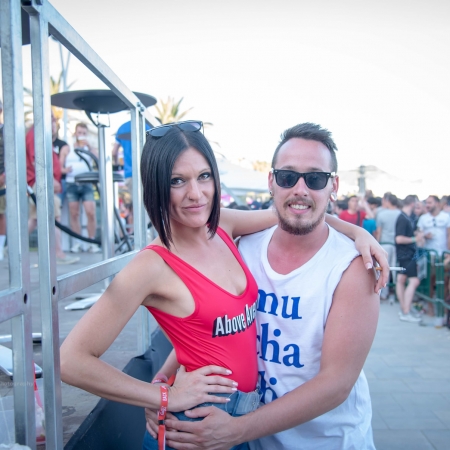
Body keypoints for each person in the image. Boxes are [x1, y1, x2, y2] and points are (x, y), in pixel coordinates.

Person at [60, 121, 387, 450]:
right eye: (177, 181)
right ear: (156, 186)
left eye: (204, 176)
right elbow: (70, 361)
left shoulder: (224, 226)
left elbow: (297, 210)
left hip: (242, 425)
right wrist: (161, 395)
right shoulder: (150, 266)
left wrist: (358, 233)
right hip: (197, 425)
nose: (195, 193)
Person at [26, 115, 79, 265]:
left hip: (40, 182)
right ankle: (58, 253)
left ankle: (13, 248)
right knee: (54, 217)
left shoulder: (40, 134)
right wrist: (51, 180)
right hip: (41, 183)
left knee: (34, 219)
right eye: (52, 121)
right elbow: (36, 160)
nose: (54, 125)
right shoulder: (35, 134)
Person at [63, 122, 100, 253]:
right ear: (75, 133)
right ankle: (77, 242)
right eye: (79, 133)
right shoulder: (67, 148)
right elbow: (59, 167)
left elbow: (98, 159)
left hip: (87, 183)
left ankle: (92, 242)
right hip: (71, 183)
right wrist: (65, 170)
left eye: (84, 133)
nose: (81, 135)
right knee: (74, 214)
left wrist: (89, 147)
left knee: (91, 212)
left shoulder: (89, 149)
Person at [112, 120, 152, 231]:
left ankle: (139, 235)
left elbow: (114, 152)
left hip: (130, 173)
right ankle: (146, 237)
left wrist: (117, 164)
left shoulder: (121, 128)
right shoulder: (145, 126)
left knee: (138, 206)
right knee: (146, 206)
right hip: (146, 171)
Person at [395, 195, 423, 323]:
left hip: (405, 254)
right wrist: (415, 239)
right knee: (414, 281)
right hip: (406, 254)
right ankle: (406, 311)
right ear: (412, 203)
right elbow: (399, 239)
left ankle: (404, 309)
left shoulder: (406, 217)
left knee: (401, 279)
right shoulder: (403, 218)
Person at [376, 193, 401, 299]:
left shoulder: (382, 214)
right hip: (396, 245)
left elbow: (379, 231)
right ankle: (396, 293)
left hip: (384, 244)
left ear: (387, 201)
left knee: (384, 268)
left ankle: (384, 293)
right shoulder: (400, 213)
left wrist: (376, 244)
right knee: (395, 269)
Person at [0, 100, 6, 260]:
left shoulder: (6, 130)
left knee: (0, 214)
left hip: (2, 177)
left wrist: (5, 175)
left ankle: (0, 248)